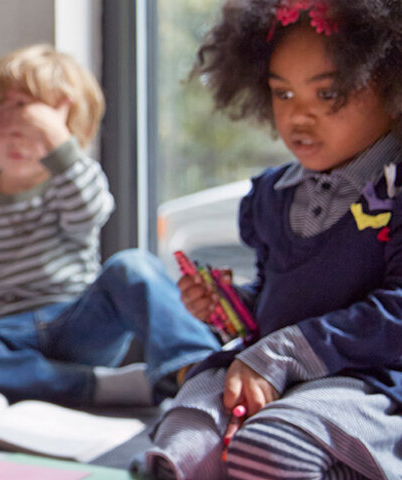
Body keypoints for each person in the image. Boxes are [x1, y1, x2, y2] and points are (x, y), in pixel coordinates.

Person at [136, 0, 402, 478]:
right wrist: (232, 306)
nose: (299, 116)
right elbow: (282, 300)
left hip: (368, 381)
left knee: (271, 449)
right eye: (283, 95)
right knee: (183, 436)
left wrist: (283, 353)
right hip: (271, 374)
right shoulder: (272, 196)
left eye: (328, 94)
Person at [0, 44, 219, 407]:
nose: (17, 133)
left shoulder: (72, 184)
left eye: (32, 126)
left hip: (75, 323)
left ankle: (201, 367)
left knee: (134, 266)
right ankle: (98, 387)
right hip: (5, 337)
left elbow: (91, 211)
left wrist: (56, 139)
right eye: (5, 116)